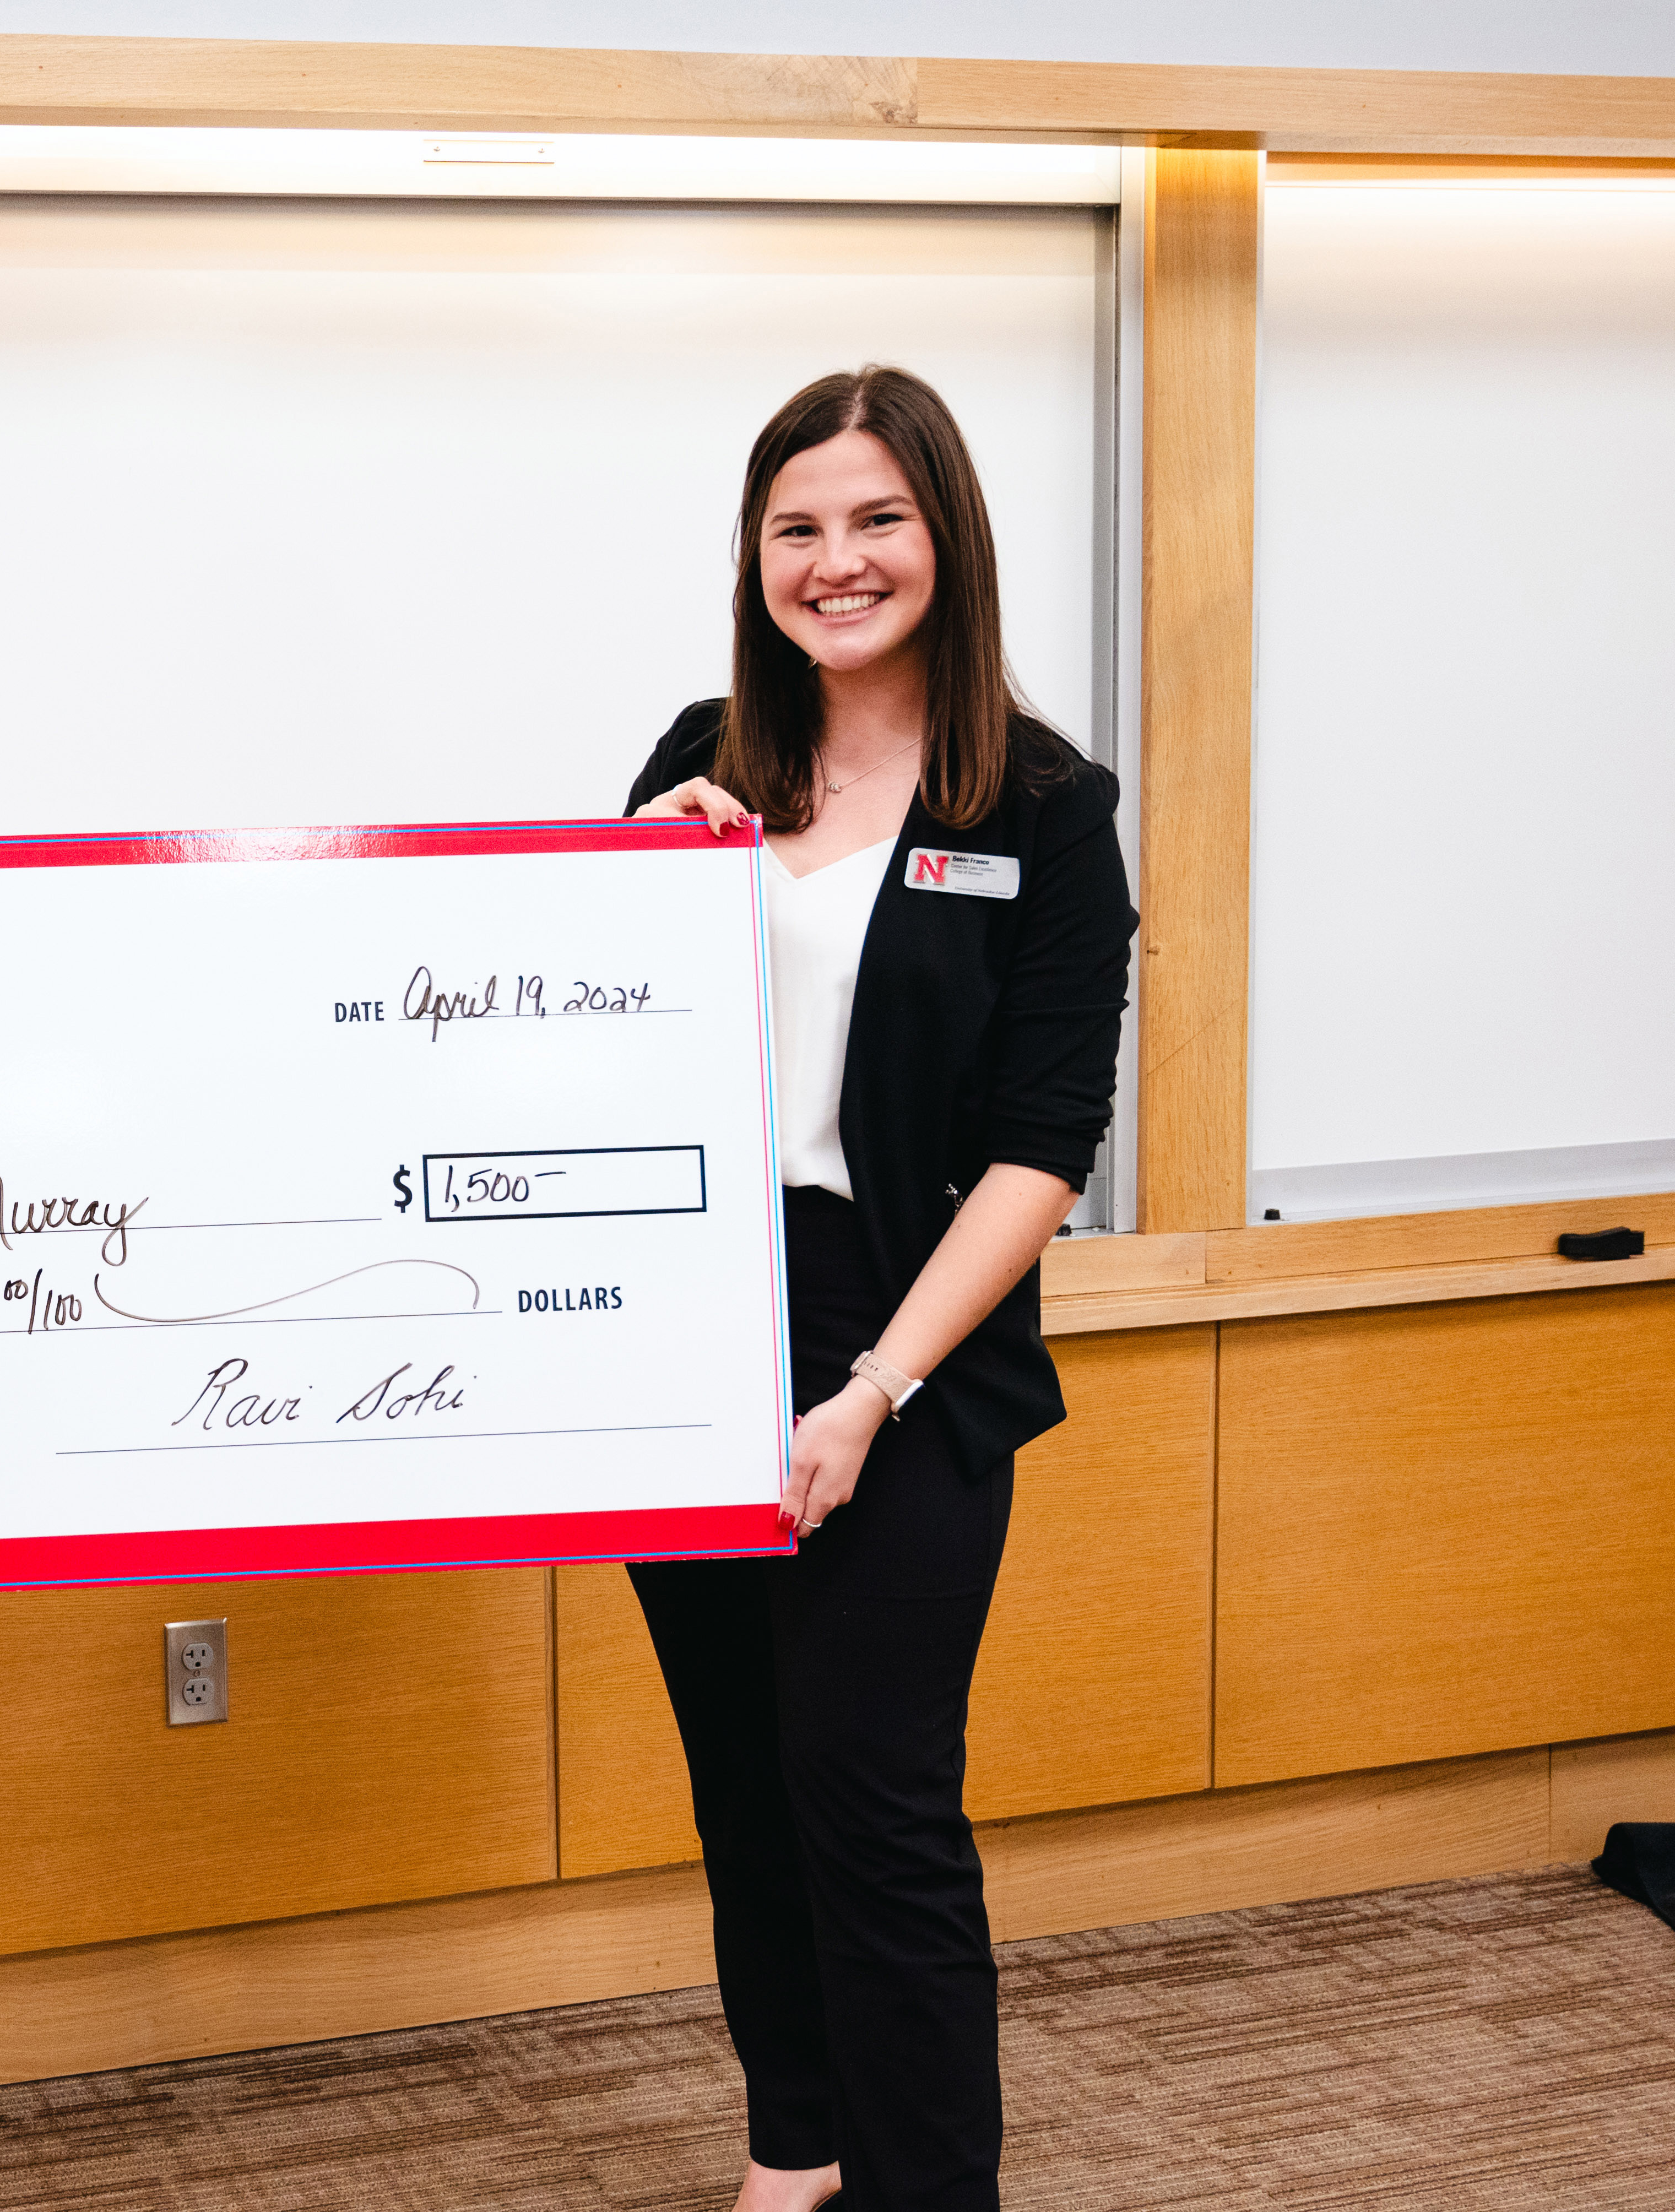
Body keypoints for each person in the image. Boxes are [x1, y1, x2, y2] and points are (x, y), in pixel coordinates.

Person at [624, 366, 1135, 2211]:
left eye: (876, 521)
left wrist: (873, 1389)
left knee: (877, 1798)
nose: (837, 564)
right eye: (798, 529)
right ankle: (798, 2148)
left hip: (905, 1327)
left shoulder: (1047, 810)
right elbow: (597, 1052)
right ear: (759, 557)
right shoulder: (703, 756)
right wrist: (639, 889)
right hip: (694, 1310)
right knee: (745, 1780)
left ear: (946, 537)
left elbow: (1040, 1152)